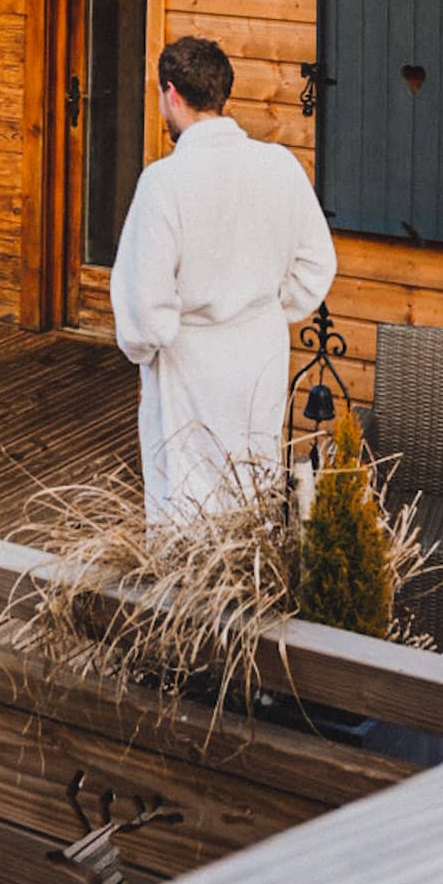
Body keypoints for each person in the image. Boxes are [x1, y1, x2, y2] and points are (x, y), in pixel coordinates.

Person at [110, 35, 337, 524]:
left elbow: (143, 313)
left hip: (190, 364)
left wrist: (152, 346)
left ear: (170, 93)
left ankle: (188, 601)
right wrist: (271, 308)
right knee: (252, 479)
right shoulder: (279, 167)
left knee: (188, 501)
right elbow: (318, 261)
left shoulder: (163, 183)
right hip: (260, 352)